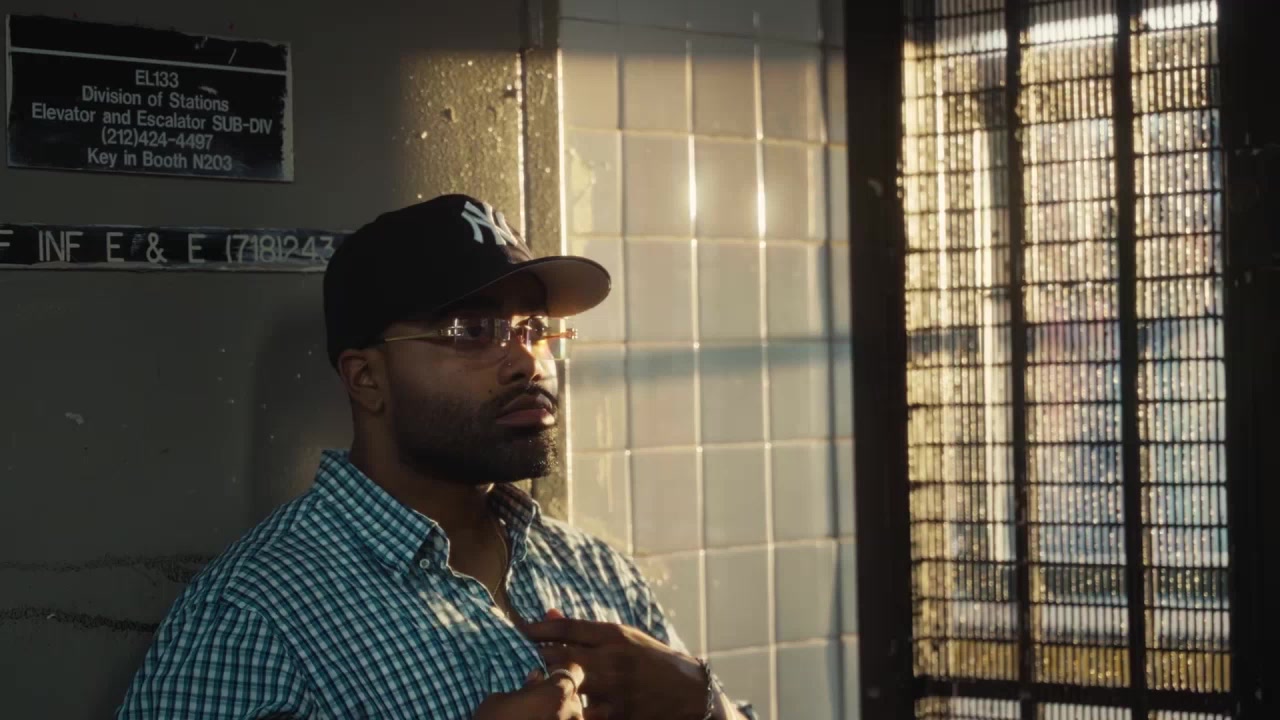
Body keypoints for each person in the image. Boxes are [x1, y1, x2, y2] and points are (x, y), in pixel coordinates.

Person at [116, 194, 755, 720]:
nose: (527, 361)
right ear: (367, 378)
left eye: (535, 329)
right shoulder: (258, 615)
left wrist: (705, 706)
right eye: (472, 330)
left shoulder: (595, 570)